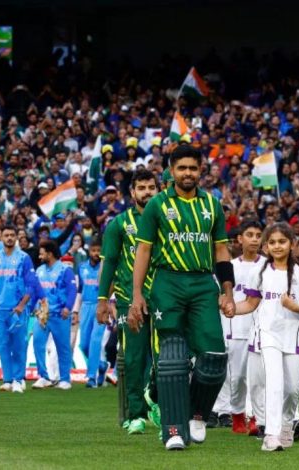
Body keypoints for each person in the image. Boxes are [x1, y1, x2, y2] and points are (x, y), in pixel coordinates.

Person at [131, 145, 235, 451]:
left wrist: (228, 292)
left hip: (203, 283)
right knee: (173, 357)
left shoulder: (212, 205)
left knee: (214, 356)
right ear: (172, 170)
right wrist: (137, 294)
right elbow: (144, 250)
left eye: (192, 168)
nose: (187, 173)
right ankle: (173, 430)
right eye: (182, 168)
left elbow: (221, 250)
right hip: (168, 282)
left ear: (201, 170)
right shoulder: (157, 205)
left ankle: (197, 414)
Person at [234, 222, 299, 451]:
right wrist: (230, 308)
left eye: (282, 241)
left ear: (292, 244)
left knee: (291, 389)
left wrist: (294, 306)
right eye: (272, 242)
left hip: (294, 337)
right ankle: (270, 436)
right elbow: (250, 304)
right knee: (273, 382)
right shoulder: (259, 272)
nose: (277, 246)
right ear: (266, 246)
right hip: (268, 335)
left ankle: (286, 425)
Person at [97, 169, 158, 435]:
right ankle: (136, 415)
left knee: (165, 357)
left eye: (151, 187)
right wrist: (102, 299)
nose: (147, 192)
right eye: (141, 188)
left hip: (163, 297)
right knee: (133, 358)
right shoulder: (119, 224)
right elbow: (109, 263)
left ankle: (157, 404)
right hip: (127, 299)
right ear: (132, 192)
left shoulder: (168, 221)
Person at [0, 225, 41, 392]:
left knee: (18, 346)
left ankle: (18, 380)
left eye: (12, 235)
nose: (9, 238)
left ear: (16, 238)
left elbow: (31, 284)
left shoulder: (24, 258)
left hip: (17, 310)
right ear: (1, 238)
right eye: (6, 235)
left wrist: (21, 305)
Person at [212, 219, 264, 434]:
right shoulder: (229, 267)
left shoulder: (267, 266)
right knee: (237, 377)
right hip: (235, 329)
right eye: (250, 235)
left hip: (260, 330)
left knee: (257, 377)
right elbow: (217, 295)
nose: (254, 240)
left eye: (258, 235)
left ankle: (255, 418)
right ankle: (236, 413)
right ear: (240, 239)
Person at [32, 239, 77, 390]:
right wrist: (33, 307)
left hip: (60, 315)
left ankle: (65, 379)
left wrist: (68, 307)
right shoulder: (39, 270)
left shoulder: (65, 270)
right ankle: (43, 377)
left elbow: (72, 290)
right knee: (37, 343)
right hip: (43, 315)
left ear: (50, 254)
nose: (40, 256)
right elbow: (35, 291)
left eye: (42, 253)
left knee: (63, 348)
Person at [74, 240, 104, 388]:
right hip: (85, 306)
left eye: (98, 251)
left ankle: (92, 377)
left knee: (95, 341)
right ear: (89, 251)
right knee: (84, 345)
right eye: (93, 250)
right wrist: (75, 310)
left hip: (100, 305)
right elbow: (79, 290)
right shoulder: (82, 267)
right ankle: (102, 366)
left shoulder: (106, 267)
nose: (96, 253)